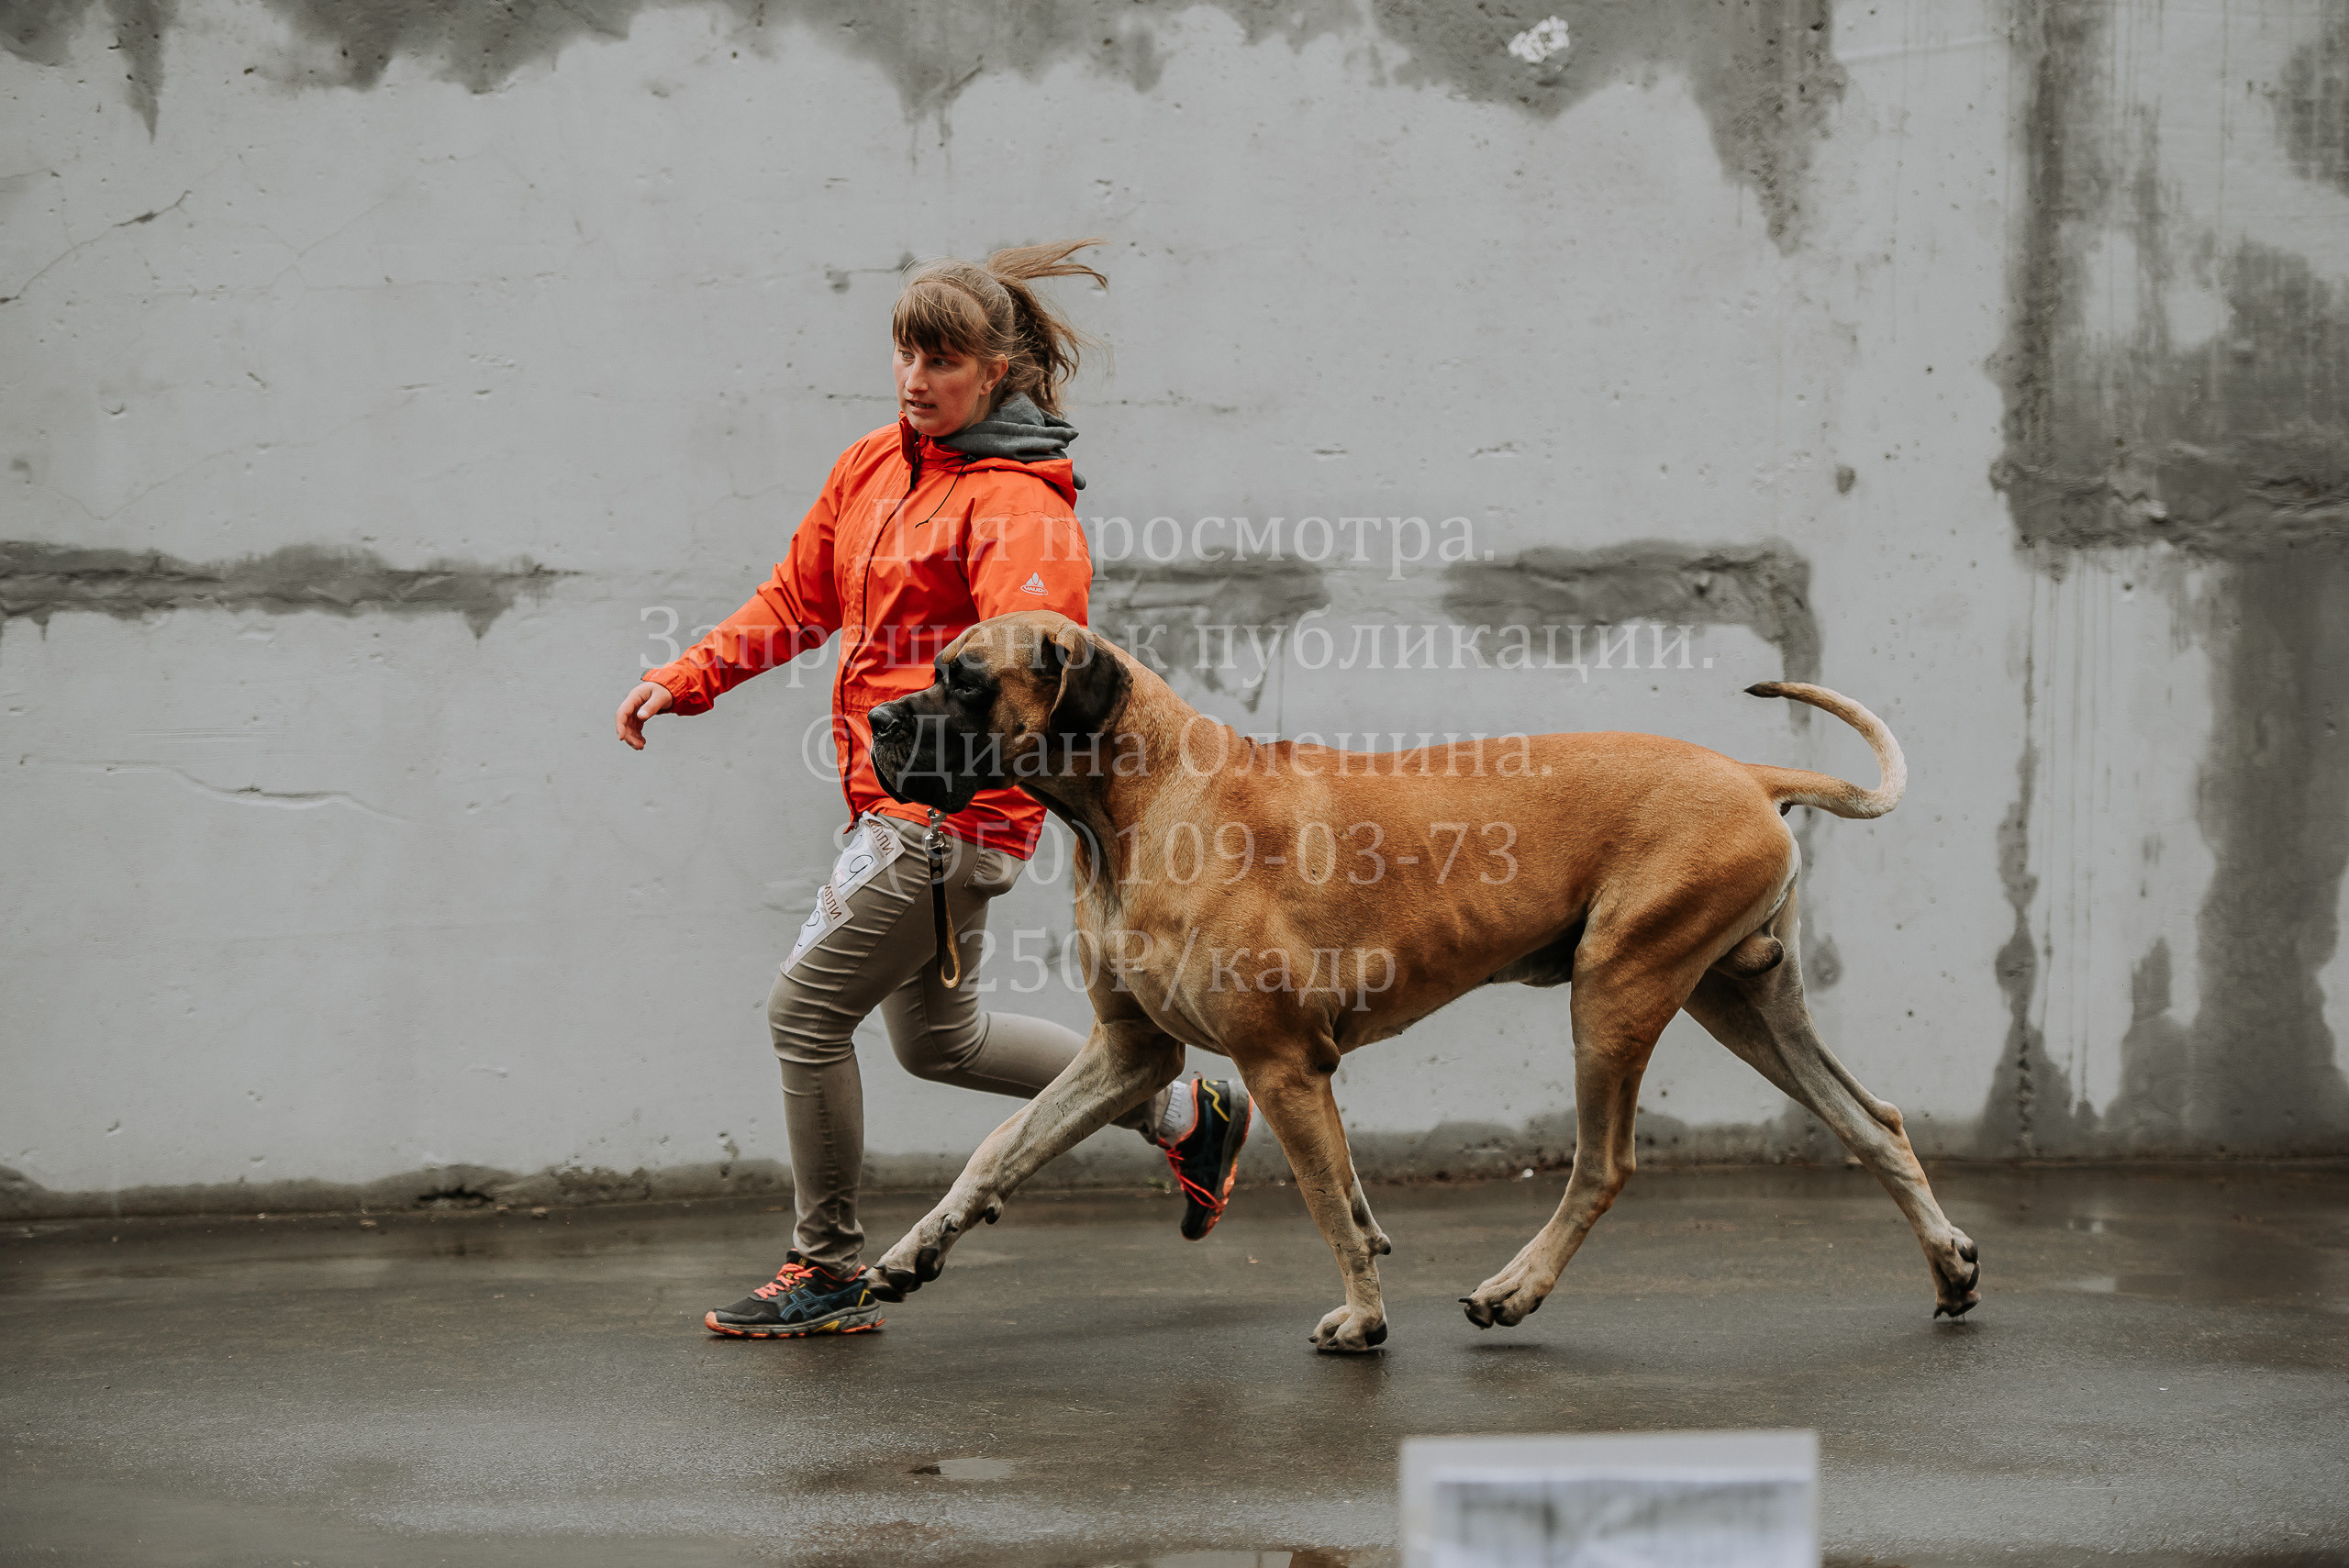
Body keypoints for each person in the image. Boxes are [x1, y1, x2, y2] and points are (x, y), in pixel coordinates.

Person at [615, 239, 1252, 1339]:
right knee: (937, 1041)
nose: (916, 378)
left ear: (997, 370)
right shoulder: (874, 462)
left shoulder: (1018, 507)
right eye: (906, 353)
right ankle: (1188, 1111)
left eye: (943, 359)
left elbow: (1038, 681)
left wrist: (949, 807)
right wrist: (685, 676)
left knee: (805, 1013)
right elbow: (795, 597)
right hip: (885, 799)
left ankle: (825, 1268)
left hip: (953, 812)